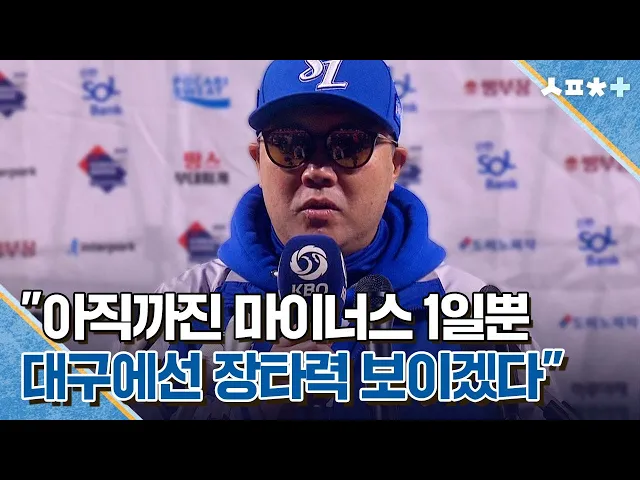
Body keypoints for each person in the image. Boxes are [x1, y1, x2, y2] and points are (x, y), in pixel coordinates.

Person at [122, 60, 575, 420]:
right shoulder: (181, 307)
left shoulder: (475, 314)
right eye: (289, 145)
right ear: (259, 161)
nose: (317, 171)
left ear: (394, 166)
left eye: (350, 145)